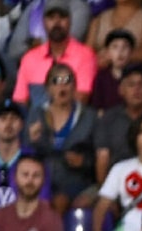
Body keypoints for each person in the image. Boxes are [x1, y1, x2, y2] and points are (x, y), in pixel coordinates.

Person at [26, 63, 97, 216]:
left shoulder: (89, 116)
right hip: (41, 181)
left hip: (77, 181)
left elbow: (99, 156)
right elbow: (25, 153)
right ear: (48, 88)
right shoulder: (36, 114)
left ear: (75, 86)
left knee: (59, 200)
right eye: (56, 81)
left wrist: (83, 161)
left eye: (67, 80)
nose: (62, 86)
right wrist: (32, 141)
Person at [13, 0, 98, 107]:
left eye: (62, 17)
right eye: (51, 18)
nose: (57, 23)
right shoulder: (29, 58)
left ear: (70, 21)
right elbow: (20, 101)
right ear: (43, 22)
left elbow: (81, 98)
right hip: (35, 121)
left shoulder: (85, 55)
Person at [0, 100, 51, 209]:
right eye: (3, 119)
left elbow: (43, 205)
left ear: (22, 124)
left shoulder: (34, 161)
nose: (8, 124)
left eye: (14, 119)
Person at [86, 0, 142, 65]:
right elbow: (87, 53)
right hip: (98, 71)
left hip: (132, 72)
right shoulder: (98, 19)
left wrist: (113, 56)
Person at [91, 28, 136, 112]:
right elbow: (98, 108)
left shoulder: (137, 76)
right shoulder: (101, 77)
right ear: (108, 53)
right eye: (115, 47)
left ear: (131, 52)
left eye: (125, 47)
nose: (120, 52)